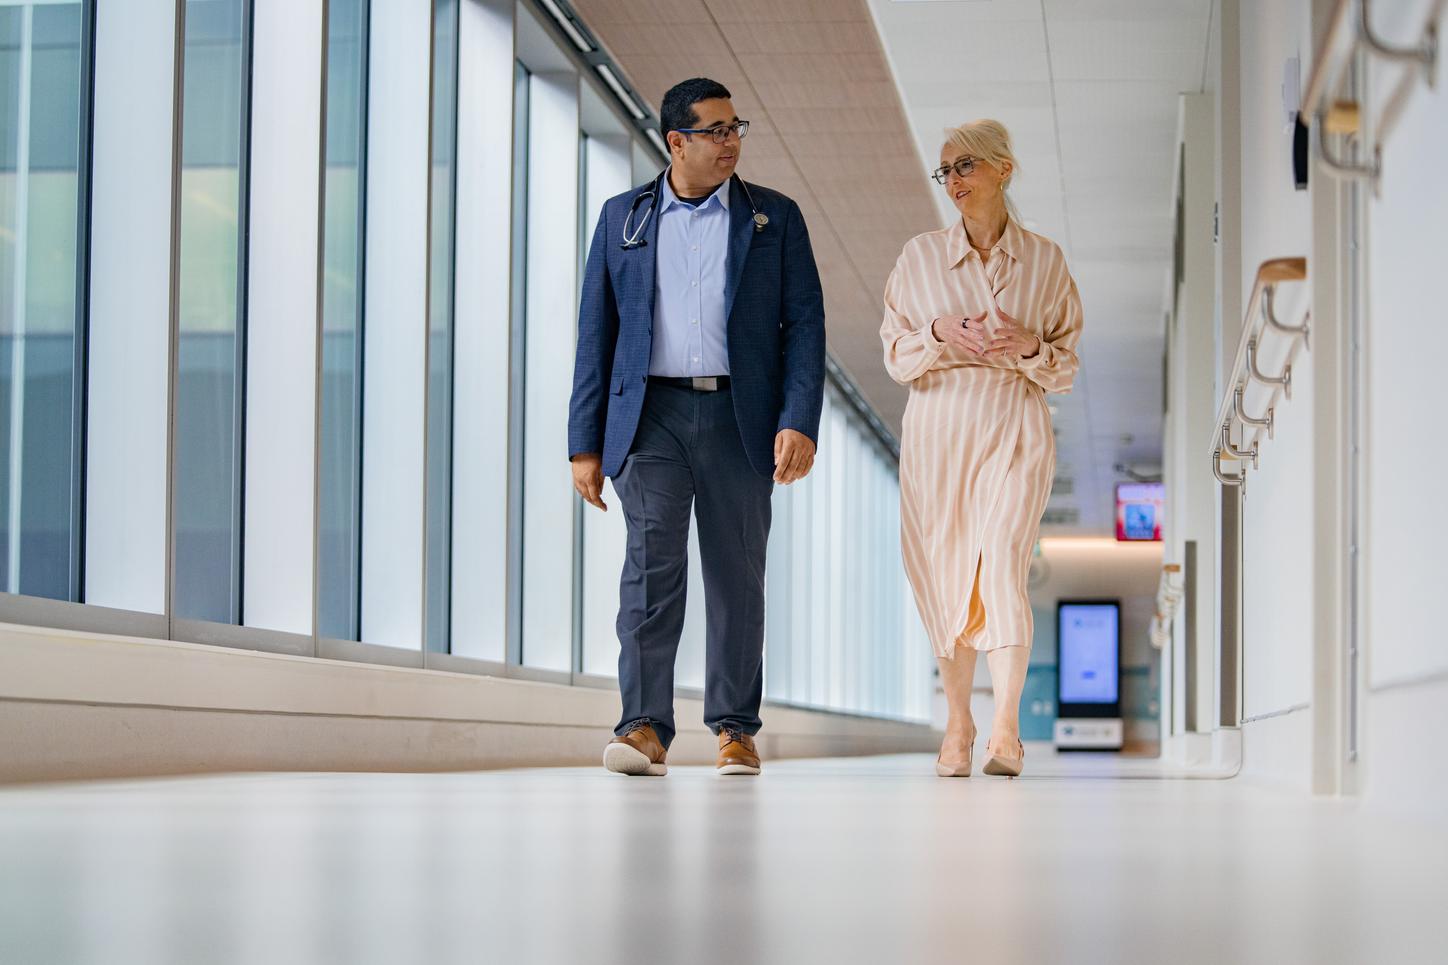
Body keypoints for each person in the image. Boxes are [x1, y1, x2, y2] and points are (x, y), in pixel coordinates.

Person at [568, 77, 826, 777]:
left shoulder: (775, 218)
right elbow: (597, 332)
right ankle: (644, 724)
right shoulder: (623, 218)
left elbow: (804, 327)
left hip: (741, 415)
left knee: (737, 574)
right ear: (676, 141)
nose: (731, 141)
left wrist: (799, 418)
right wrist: (584, 443)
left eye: (736, 127)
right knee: (651, 568)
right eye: (715, 130)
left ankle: (736, 727)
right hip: (650, 419)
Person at [880, 119, 1082, 778]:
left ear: (1004, 170)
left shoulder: (1046, 262)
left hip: (1012, 424)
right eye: (946, 171)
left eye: (966, 166)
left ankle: (1005, 727)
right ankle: (958, 722)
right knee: (943, 574)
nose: (955, 182)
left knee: (1001, 565)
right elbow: (895, 353)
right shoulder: (917, 259)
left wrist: (1028, 347)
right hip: (938, 429)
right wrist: (938, 329)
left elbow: (1066, 365)